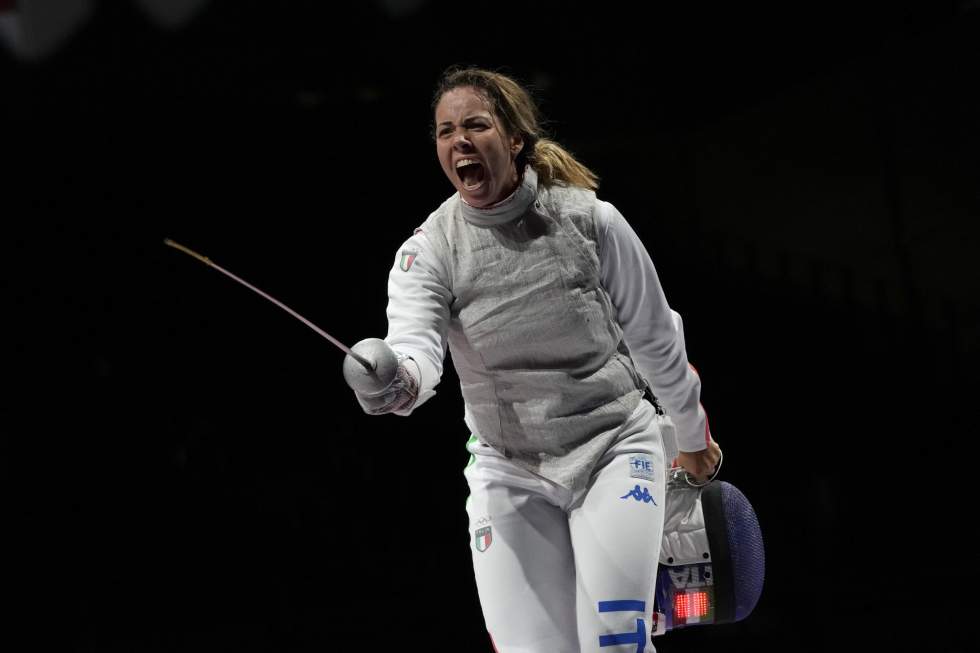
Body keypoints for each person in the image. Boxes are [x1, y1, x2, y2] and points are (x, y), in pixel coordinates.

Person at [341, 66, 722, 653]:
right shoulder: (430, 249)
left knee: (616, 638)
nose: (459, 141)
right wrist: (397, 382)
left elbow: (656, 339)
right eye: (446, 132)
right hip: (508, 467)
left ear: (514, 138)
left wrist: (692, 436)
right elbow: (416, 349)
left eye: (475, 125)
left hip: (613, 446)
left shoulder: (589, 220)